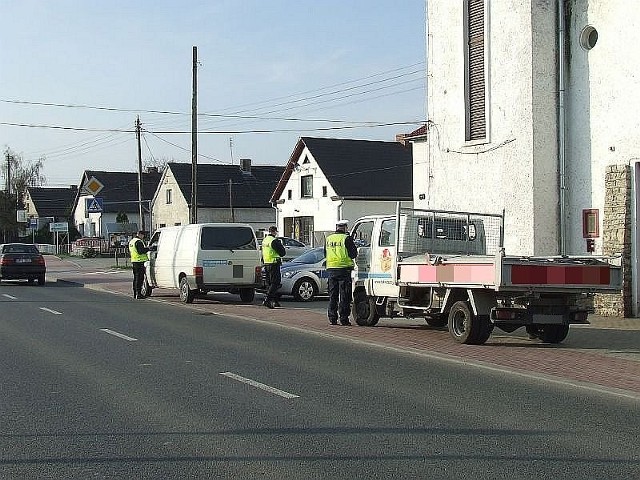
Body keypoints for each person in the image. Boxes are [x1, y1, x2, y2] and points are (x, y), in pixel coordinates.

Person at [325, 219, 358, 325]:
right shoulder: (346, 238)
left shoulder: (329, 239)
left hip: (331, 269)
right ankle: (344, 318)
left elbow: (325, 253)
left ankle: (332, 318)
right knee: (344, 295)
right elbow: (353, 254)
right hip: (344, 269)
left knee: (332, 295)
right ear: (345, 228)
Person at [261, 226, 286, 309]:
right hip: (274, 263)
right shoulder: (274, 241)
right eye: (276, 232)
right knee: (276, 282)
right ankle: (267, 300)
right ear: (274, 232)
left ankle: (274, 301)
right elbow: (282, 253)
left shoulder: (265, 240)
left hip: (266, 263)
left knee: (270, 283)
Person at [128, 230, 149, 299]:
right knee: (140, 278)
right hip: (139, 262)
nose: (143, 237)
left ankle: (135, 293)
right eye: (143, 235)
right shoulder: (138, 242)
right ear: (140, 235)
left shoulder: (132, 241)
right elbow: (141, 251)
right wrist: (148, 249)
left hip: (134, 261)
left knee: (136, 278)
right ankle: (138, 294)